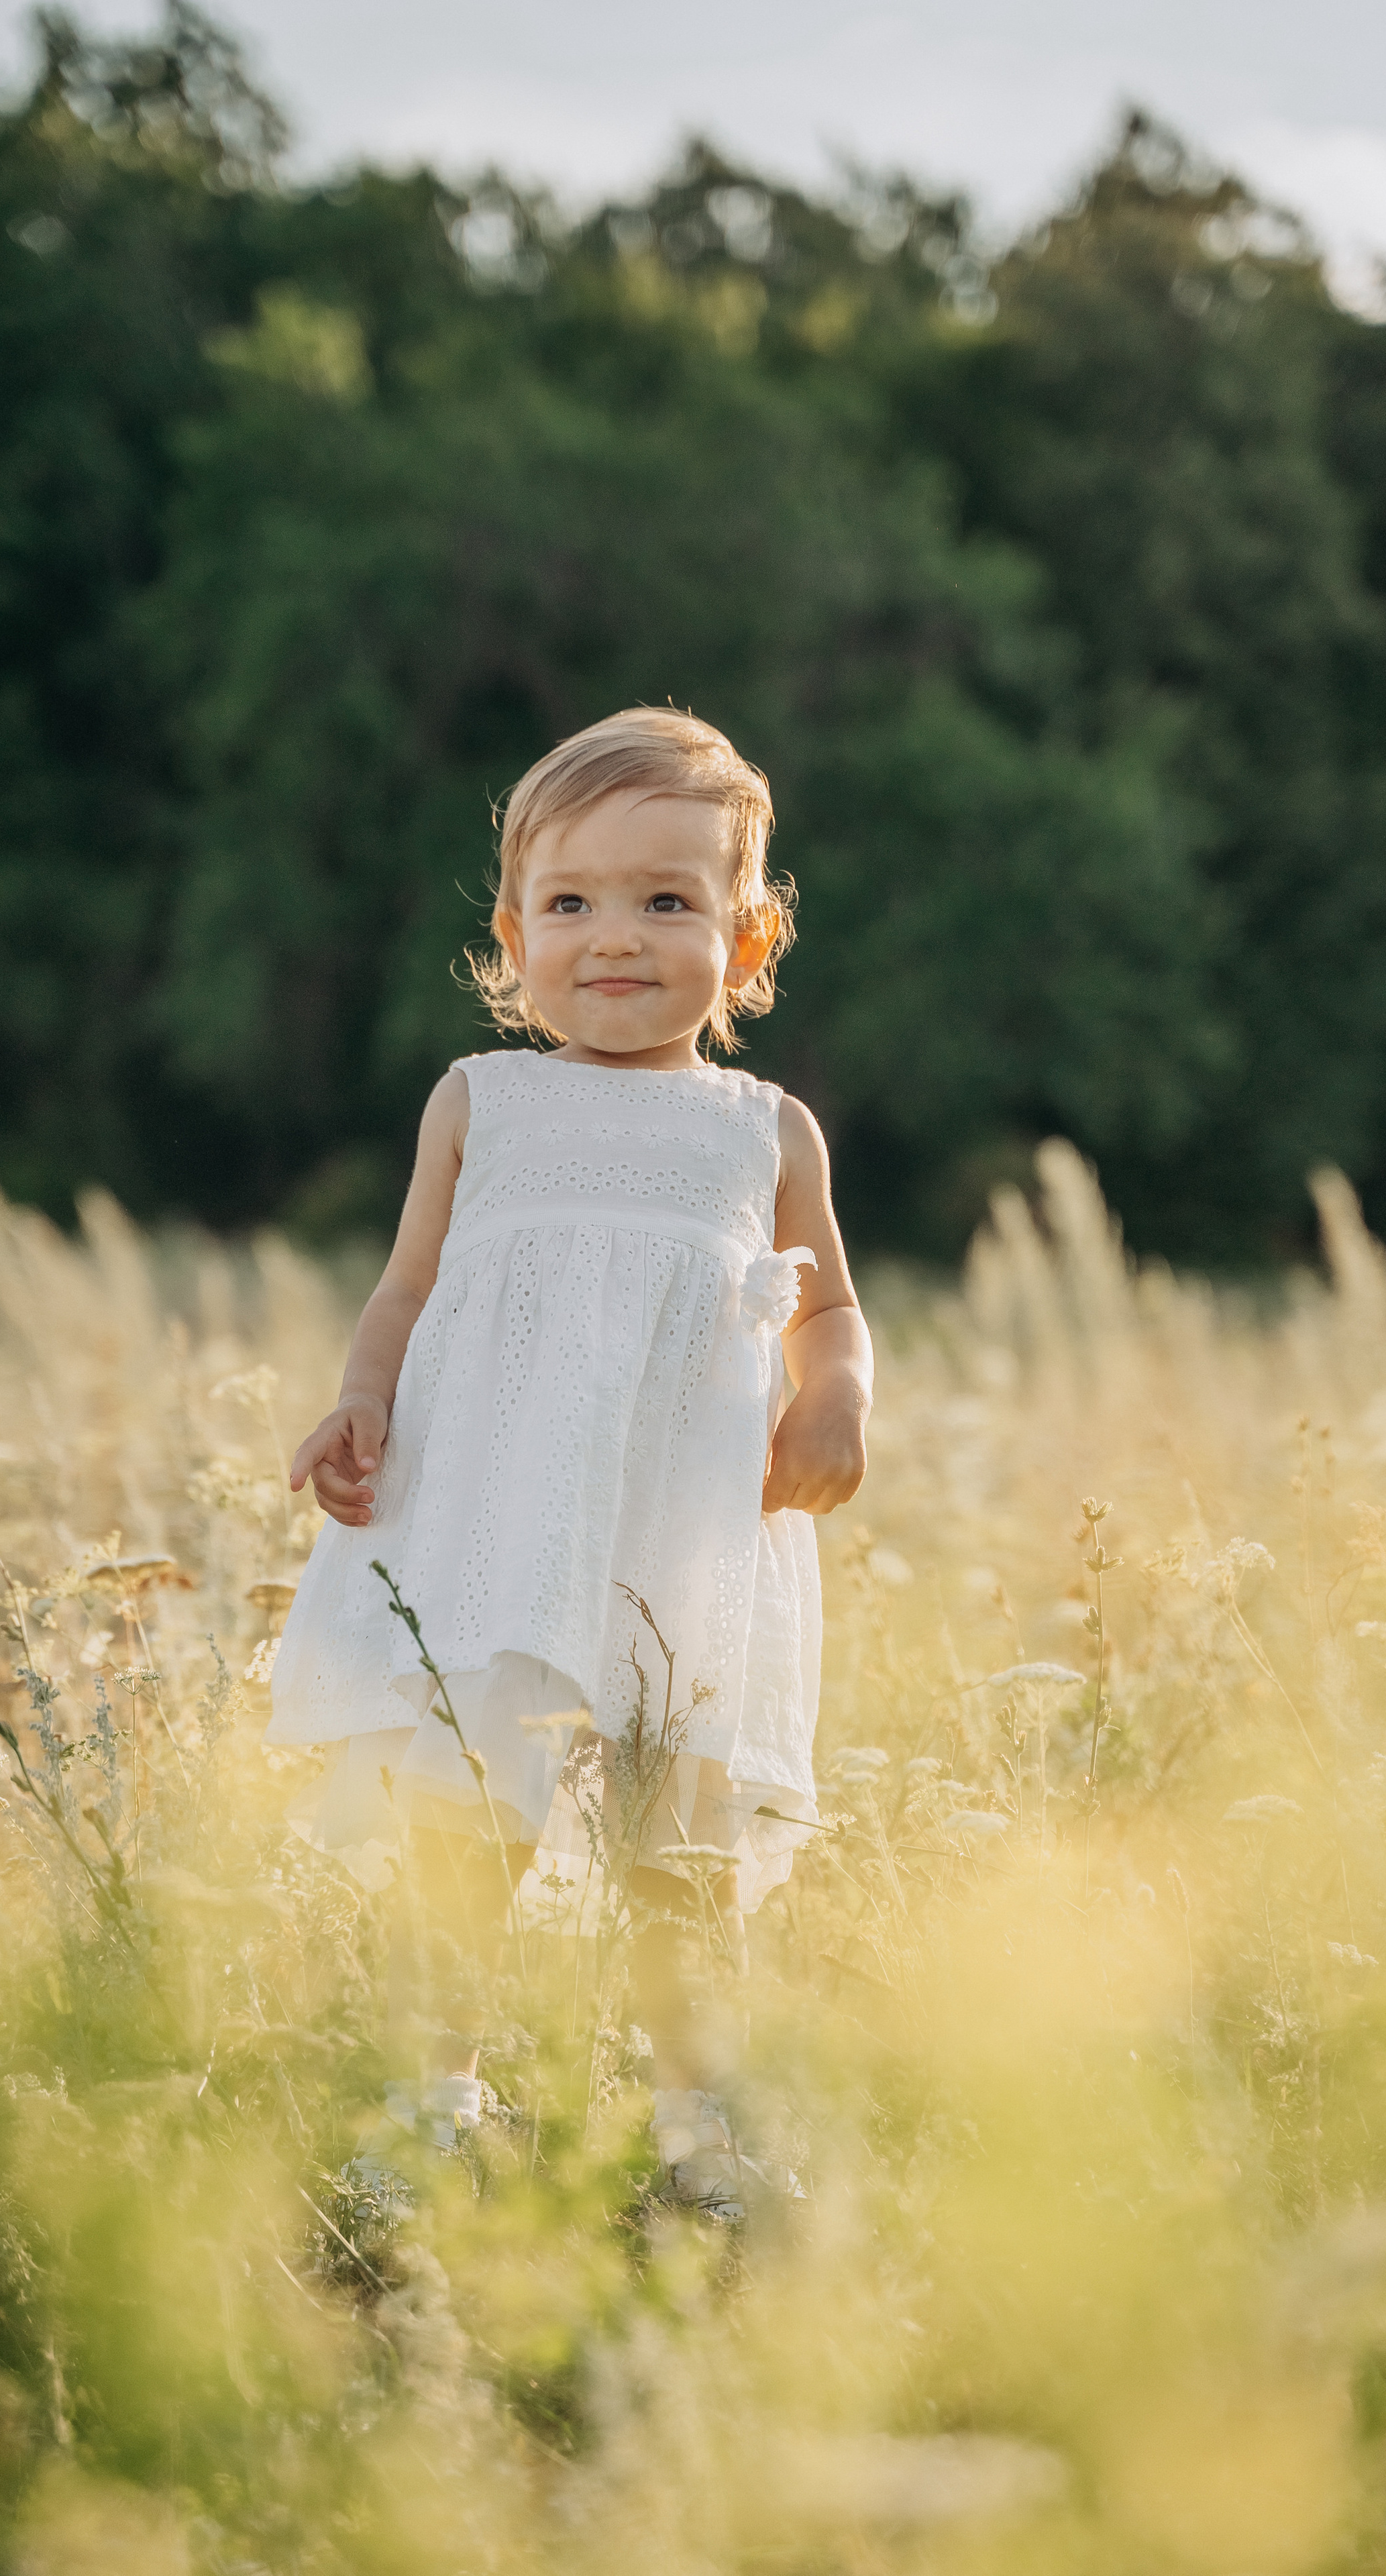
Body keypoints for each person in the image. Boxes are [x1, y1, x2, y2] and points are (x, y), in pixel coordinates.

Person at [266, 707, 871, 2212]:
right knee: (464, 1816)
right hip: (492, 1526)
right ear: (512, 930)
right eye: (572, 901)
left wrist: (836, 1396)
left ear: (744, 941)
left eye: (668, 901)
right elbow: (406, 1290)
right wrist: (359, 1403)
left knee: (681, 1845)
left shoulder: (764, 1130)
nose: (616, 936)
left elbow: (835, 1305)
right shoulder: (481, 1102)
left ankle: (700, 2132)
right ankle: (435, 2107)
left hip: (678, 1539)